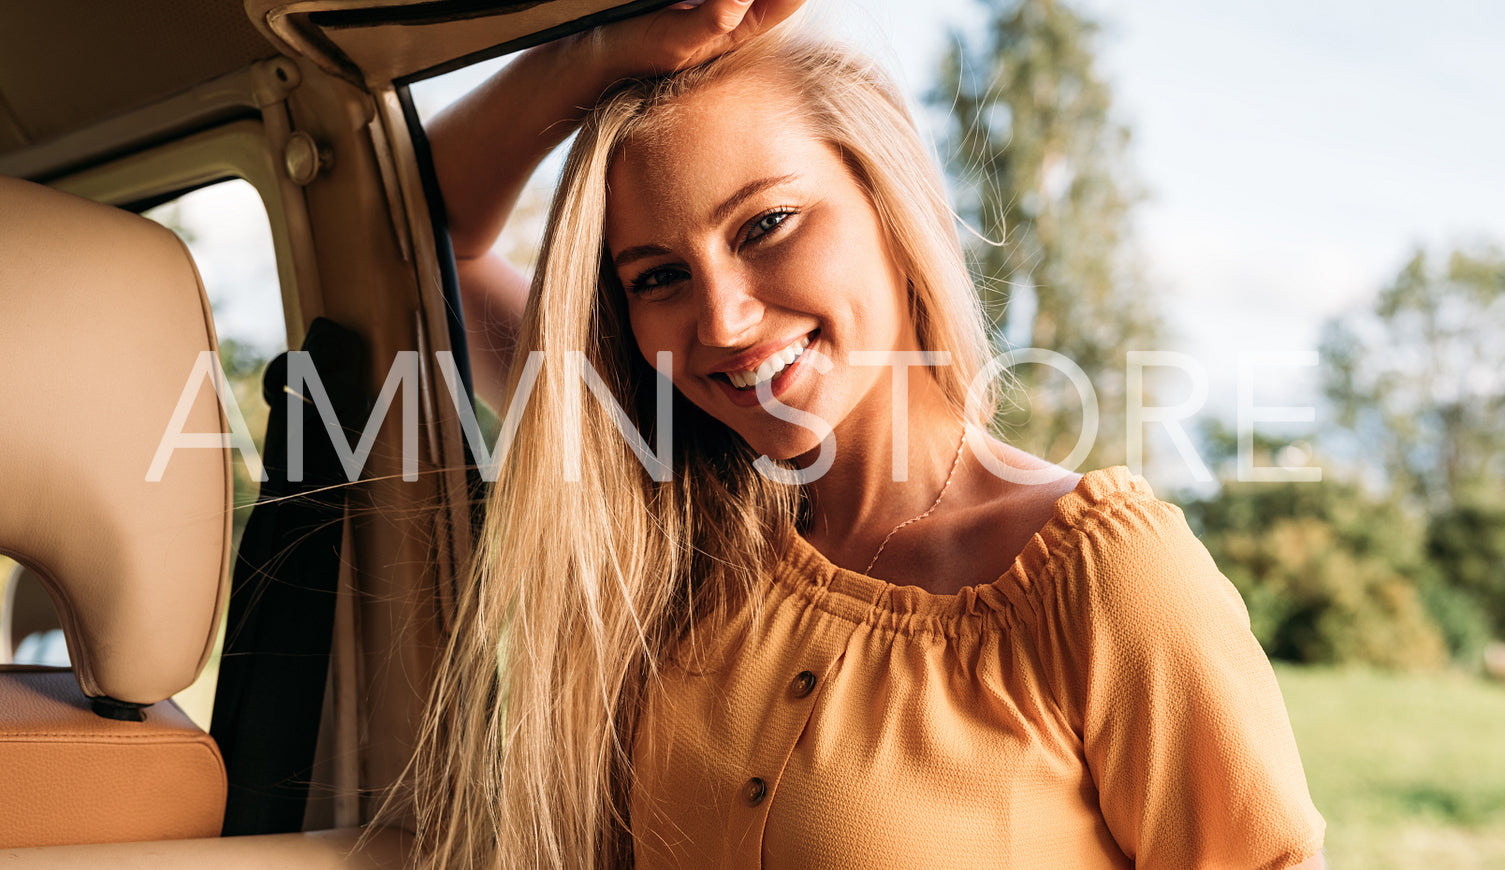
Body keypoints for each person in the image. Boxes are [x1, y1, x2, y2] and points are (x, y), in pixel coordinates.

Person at [411, 1, 1327, 867]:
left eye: (766, 224)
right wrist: (600, 52)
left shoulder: (1103, 582)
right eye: (656, 278)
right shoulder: (668, 522)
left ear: (891, 207)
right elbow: (421, 237)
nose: (722, 323)